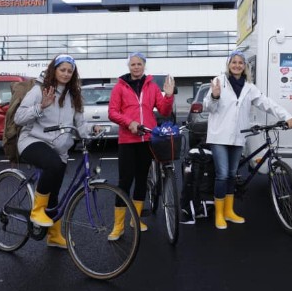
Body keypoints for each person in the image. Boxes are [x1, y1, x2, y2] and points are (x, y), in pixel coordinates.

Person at [203, 50, 292, 230]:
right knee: (222, 174)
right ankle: (219, 214)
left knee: (231, 174)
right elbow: (209, 107)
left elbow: (267, 103)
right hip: (219, 137)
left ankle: (229, 211)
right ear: (228, 64)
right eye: (234, 62)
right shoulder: (219, 81)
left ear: (245, 66)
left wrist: (287, 116)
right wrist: (214, 95)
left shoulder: (249, 87)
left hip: (238, 136)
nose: (237, 65)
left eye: (240, 62)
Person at [14, 54, 94, 249]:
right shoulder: (39, 90)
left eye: (70, 71)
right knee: (53, 165)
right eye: (62, 69)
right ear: (54, 70)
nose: (66, 74)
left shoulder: (74, 94)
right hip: (32, 140)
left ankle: (55, 236)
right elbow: (19, 118)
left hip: (59, 148)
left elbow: (80, 123)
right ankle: (37, 211)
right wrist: (41, 106)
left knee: (55, 194)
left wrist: (91, 132)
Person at [107, 52, 175, 240]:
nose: (136, 67)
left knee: (142, 180)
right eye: (133, 64)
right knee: (124, 182)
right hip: (128, 141)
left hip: (147, 140)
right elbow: (112, 113)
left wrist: (168, 96)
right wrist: (129, 123)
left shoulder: (152, 87)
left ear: (144, 66)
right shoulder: (119, 87)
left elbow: (164, 110)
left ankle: (135, 220)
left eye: (139, 64)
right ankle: (118, 226)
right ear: (128, 66)